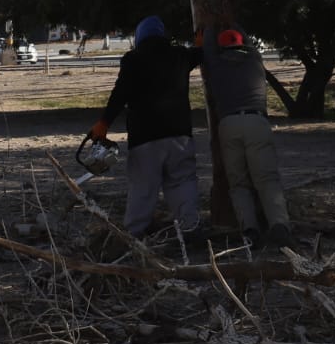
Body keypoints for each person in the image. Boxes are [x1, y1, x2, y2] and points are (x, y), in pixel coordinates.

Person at [89, 15, 204, 238]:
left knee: (143, 187)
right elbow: (198, 54)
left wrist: (103, 123)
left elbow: (120, 93)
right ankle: (189, 227)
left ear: (139, 38)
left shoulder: (133, 60)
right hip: (180, 134)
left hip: (145, 137)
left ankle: (135, 234)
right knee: (182, 181)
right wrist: (200, 44)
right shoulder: (180, 55)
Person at [202, 26, 291, 247]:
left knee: (238, 182)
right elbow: (249, 42)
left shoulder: (216, 64)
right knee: (267, 179)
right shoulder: (254, 60)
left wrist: (209, 29)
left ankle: (249, 229)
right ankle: (279, 225)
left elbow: (208, 46)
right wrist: (235, 25)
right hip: (256, 121)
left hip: (228, 123)